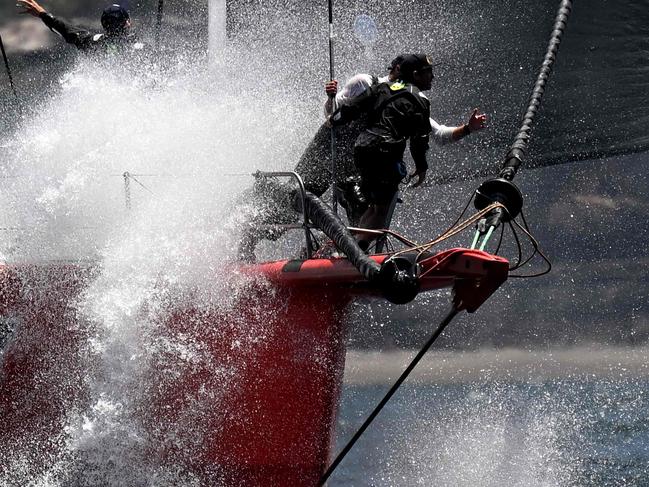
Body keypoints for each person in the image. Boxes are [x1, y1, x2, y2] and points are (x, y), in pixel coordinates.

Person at [332, 53, 487, 248]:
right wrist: (421, 167)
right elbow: (419, 140)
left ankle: (347, 245)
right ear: (415, 75)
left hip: (362, 149)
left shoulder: (382, 88)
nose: (433, 77)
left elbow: (352, 108)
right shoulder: (419, 101)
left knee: (373, 207)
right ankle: (355, 252)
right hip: (385, 152)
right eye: (428, 72)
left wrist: (333, 120)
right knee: (380, 214)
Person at [17, 1, 143, 52]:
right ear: (127, 23)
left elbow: (65, 30)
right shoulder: (138, 49)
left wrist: (42, 13)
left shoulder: (93, 44)